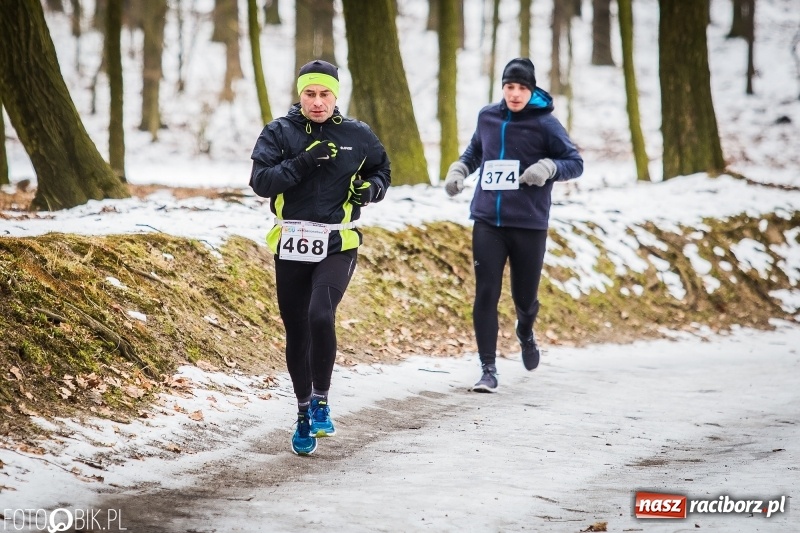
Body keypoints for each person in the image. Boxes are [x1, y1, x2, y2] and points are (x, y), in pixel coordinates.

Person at [249, 60, 391, 455]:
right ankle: (302, 413)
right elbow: (261, 182)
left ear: (335, 95)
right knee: (297, 330)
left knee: (320, 315)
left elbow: (383, 170)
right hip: (291, 240)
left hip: (336, 241)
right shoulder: (279, 132)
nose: (317, 102)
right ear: (300, 95)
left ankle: (322, 399)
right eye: (309, 93)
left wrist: (370, 190)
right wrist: (304, 160)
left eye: (324, 93)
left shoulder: (357, 134)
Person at [444, 57, 583, 393]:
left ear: (531, 90)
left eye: (522, 88)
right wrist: (459, 170)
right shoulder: (488, 116)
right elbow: (476, 152)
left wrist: (548, 167)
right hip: (488, 219)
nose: (515, 93)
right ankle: (488, 368)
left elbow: (574, 163)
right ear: (502, 87)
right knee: (486, 292)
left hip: (528, 223)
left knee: (525, 298)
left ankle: (525, 330)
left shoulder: (545, 124)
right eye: (510, 86)